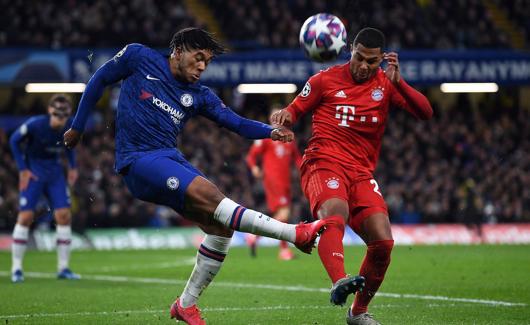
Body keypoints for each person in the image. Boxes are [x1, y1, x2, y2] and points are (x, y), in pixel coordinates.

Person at [63, 28, 334, 325]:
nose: (203, 67)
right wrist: (78, 126)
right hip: (138, 160)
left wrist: (269, 131)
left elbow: (236, 123)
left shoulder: (200, 96)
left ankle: (185, 305)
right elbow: (99, 78)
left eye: (207, 62)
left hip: (168, 157)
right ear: (177, 50)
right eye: (198, 58)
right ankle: (295, 234)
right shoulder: (138, 57)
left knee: (220, 228)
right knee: (214, 197)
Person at [272, 27, 433, 325]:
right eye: (359, 57)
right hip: (323, 160)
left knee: (383, 242)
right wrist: (283, 117)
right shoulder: (324, 79)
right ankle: (339, 279)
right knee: (335, 212)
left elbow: (425, 113)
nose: (363, 66)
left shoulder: (386, 84)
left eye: (371, 61)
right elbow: (294, 110)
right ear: (350, 50)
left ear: (382, 60)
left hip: (360, 172)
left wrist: (401, 83)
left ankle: (358, 312)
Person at [9, 94, 80, 283]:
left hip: (55, 172)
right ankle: (16, 268)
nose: (60, 118)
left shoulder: (70, 125)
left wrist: (73, 167)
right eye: (57, 113)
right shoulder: (35, 124)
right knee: (25, 217)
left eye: (64, 114)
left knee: (64, 216)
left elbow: (70, 146)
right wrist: (23, 169)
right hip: (34, 171)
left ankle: (63, 268)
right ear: (49, 110)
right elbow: (14, 141)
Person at [245, 107, 303, 260]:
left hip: (286, 181)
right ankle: (284, 251)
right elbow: (251, 156)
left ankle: (254, 238)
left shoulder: (289, 138)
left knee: (280, 215)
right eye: (275, 117)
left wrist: (304, 170)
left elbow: (297, 158)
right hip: (273, 179)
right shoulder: (266, 136)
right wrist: (254, 167)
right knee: (284, 213)